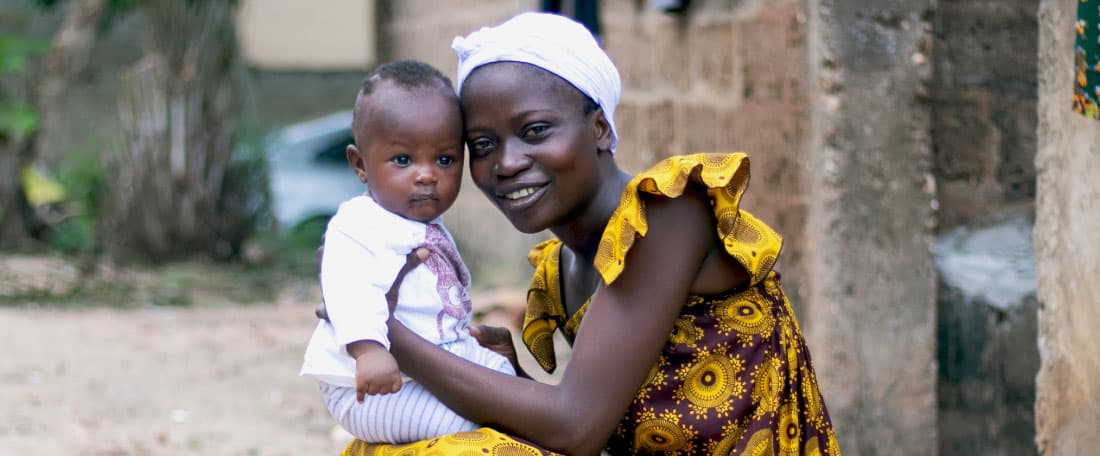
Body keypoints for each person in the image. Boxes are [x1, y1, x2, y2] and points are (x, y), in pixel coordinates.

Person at [338, 13, 840, 456]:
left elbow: (576, 428)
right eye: (483, 145)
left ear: (599, 128)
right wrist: (507, 374)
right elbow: (602, 422)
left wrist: (385, 335)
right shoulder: (562, 267)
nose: (507, 163)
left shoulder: (667, 213)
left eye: (535, 131)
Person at [299, 60, 514, 444]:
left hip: (431, 364)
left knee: (509, 385)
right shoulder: (358, 223)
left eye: (445, 160)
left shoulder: (421, 223)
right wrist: (369, 351)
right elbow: (348, 292)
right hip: (370, 387)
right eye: (403, 160)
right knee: (465, 426)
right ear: (360, 165)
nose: (427, 174)